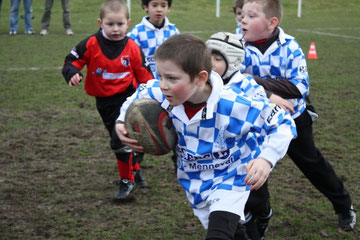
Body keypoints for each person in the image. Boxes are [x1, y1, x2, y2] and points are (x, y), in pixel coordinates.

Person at [115, 33, 296, 240]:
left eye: (172, 78)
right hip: (195, 181)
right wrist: (121, 122)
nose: (163, 84)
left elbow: (283, 122)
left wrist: (266, 159)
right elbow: (136, 97)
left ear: (200, 78)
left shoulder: (231, 104)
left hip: (232, 176)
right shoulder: (160, 94)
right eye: (160, 76)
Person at [240, 0, 356, 232]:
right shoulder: (234, 44)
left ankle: (344, 205)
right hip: (255, 122)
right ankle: (259, 214)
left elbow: (299, 87)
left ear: (272, 22)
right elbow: (231, 81)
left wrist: (255, 82)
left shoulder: (290, 47)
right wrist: (268, 92)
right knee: (251, 170)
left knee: (313, 165)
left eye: (251, 16)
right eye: (241, 15)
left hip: (292, 119)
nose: (242, 20)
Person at [62, 0, 154, 201]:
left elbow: (144, 74)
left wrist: (154, 96)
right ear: (100, 22)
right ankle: (135, 170)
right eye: (110, 24)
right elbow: (71, 60)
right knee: (119, 139)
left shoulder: (132, 47)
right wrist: (72, 73)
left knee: (118, 139)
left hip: (127, 99)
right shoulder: (91, 44)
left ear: (128, 23)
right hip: (103, 102)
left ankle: (126, 181)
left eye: (120, 24)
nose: (115, 29)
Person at [206, 31, 294, 240]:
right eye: (208, 56)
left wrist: (271, 97)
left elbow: (263, 107)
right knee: (238, 210)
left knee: (257, 200)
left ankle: (264, 214)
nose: (210, 63)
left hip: (248, 157)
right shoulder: (204, 83)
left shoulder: (247, 86)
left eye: (218, 59)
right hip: (219, 160)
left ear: (234, 62)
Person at [127, 0, 179, 79]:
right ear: (146, 7)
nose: (159, 9)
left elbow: (180, 55)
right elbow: (126, 52)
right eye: (154, 5)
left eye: (163, 6)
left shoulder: (173, 31)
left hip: (167, 79)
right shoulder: (137, 31)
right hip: (144, 80)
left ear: (168, 8)